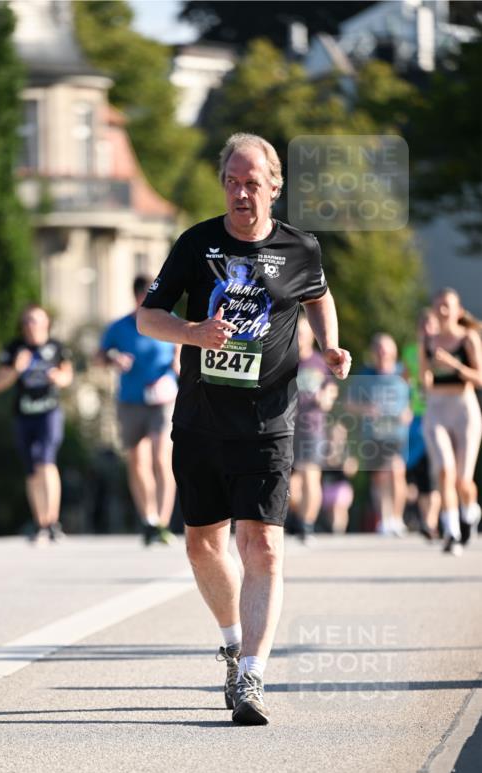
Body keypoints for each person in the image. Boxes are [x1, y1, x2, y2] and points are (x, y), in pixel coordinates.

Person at [137, 132, 351, 725]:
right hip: (201, 421)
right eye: (231, 182)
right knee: (203, 546)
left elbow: (319, 295)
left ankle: (253, 676)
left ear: (274, 187)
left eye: (251, 183)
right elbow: (148, 317)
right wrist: (192, 333)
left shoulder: (300, 248)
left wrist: (330, 345)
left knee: (262, 545)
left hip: (269, 421)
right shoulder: (196, 243)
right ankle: (233, 645)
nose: (240, 193)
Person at [97, 276, 180, 545]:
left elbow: (182, 345)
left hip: (163, 400)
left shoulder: (168, 319)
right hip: (131, 400)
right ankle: (149, 519)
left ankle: (163, 522)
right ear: (137, 297)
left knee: (160, 457)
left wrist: (177, 364)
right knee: (137, 461)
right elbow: (99, 356)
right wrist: (114, 359)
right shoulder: (120, 326)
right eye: (146, 294)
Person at [0, 305, 73, 543]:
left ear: (46, 323)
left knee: (46, 461)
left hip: (49, 412)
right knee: (31, 469)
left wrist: (58, 377)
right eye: (27, 321)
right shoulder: (14, 349)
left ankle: (52, 522)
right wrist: (16, 369)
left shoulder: (56, 347)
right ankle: (41, 523)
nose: (31, 326)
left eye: (36, 321)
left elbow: (68, 376)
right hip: (24, 414)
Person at [420, 287, 482, 555]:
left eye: (448, 305)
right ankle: (452, 532)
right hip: (436, 409)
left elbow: (480, 378)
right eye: (439, 306)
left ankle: (470, 512)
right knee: (444, 471)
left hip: (464, 408)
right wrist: (426, 377)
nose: (443, 310)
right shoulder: (427, 341)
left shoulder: (468, 338)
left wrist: (453, 366)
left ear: (458, 311)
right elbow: (424, 379)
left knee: (463, 481)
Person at [347, 334, 412, 537]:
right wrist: (366, 408)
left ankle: (397, 518)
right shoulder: (365, 374)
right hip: (373, 434)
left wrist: (409, 411)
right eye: (379, 348)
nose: (383, 352)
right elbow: (349, 403)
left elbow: (418, 396)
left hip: (397, 433)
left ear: (394, 351)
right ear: (373, 352)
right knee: (380, 477)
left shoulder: (403, 372)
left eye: (386, 348)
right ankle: (385, 520)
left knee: (397, 470)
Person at [289, 315, 338, 543]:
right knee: (289, 485)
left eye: (302, 334)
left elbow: (332, 389)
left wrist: (327, 396)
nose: (298, 338)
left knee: (311, 475)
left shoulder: (319, 362)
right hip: (287, 427)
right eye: (295, 334)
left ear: (310, 336)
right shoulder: (285, 361)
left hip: (312, 428)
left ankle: (306, 526)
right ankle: (300, 518)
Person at [403, 309, 441, 540]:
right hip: (417, 419)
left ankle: (434, 521)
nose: (427, 330)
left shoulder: (443, 349)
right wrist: (405, 405)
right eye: (423, 325)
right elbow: (404, 380)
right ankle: (428, 522)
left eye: (431, 325)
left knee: (437, 470)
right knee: (420, 471)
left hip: (440, 415)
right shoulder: (410, 351)